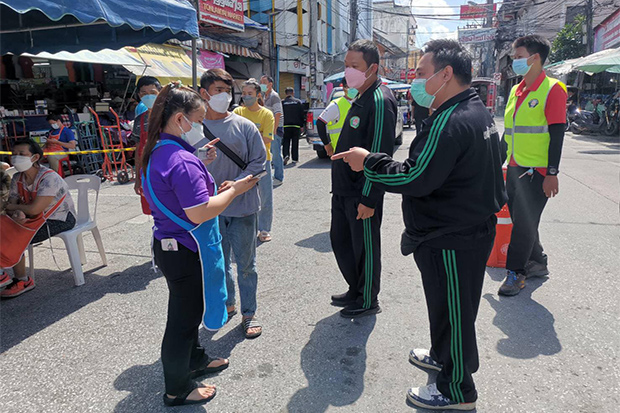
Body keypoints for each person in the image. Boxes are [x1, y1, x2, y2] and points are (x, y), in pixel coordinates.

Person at [333, 39, 506, 411]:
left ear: (446, 74)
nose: (416, 81)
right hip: (457, 230)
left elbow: (415, 177)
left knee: (456, 314)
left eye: (422, 74)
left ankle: (457, 390)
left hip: (452, 236)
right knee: (446, 308)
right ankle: (445, 357)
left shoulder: (451, 120)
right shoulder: (474, 109)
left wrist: (371, 164)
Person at [140, 82, 258, 406]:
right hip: (185, 250)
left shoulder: (161, 151)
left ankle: (196, 360)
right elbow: (200, 211)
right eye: (198, 120)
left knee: (189, 314)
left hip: (169, 246)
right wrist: (235, 190)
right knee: (182, 320)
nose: (200, 127)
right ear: (180, 120)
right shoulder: (180, 160)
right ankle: (177, 388)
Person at [329, 39, 396, 318]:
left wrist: (370, 198)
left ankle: (368, 298)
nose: (348, 71)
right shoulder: (360, 95)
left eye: (354, 66)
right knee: (342, 242)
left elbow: (380, 155)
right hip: (344, 188)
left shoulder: (380, 100)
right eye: (346, 65)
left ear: (372, 68)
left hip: (362, 192)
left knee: (365, 249)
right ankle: (355, 288)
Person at [198, 69, 267, 339]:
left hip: (244, 207)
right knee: (219, 264)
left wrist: (237, 184)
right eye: (218, 90)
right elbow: (184, 165)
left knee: (246, 264)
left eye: (228, 90)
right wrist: (201, 160)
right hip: (210, 210)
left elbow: (259, 163)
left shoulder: (245, 126)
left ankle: (249, 313)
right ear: (204, 93)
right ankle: (228, 305)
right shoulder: (194, 130)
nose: (224, 96)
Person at [498, 35, 567, 296]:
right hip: (515, 167)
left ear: (534, 58)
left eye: (518, 57)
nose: (514, 62)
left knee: (524, 225)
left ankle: (516, 273)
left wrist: (552, 173)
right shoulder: (517, 90)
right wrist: (498, 162)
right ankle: (537, 262)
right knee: (522, 220)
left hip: (536, 171)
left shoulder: (553, 89)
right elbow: (510, 132)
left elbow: (557, 134)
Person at [1, 138, 77, 298]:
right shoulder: (17, 178)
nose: (16, 158)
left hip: (60, 219)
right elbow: (11, 204)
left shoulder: (49, 178)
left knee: (15, 234)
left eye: (22, 154)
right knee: (5, 226)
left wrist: (16, 209)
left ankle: (22, 280)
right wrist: (17, 212)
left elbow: (34, 208)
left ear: (35, 157)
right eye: (14, 154)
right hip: (32, 218)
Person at [233, 79, 275, 243]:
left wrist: (246, 141)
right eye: (244, 94)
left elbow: (267, 138)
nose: (246, 97)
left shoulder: (266, 114)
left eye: (249, 94)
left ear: (258, 95)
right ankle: (243, 226)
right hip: (241, 161)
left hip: (262, 160)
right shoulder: (237, 112)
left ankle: (264, 229)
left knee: (265, 196)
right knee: (241, 193)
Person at [131, 76, 162, 215]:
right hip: (148, 174)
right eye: (144, 94)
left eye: (152, 93)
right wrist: (138, 178)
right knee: (154, 212)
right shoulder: (139, 120)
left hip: (169, 171)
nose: (148, 96)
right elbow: (139, 150)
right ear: (139, 95)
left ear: (160, 93)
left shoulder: (171, 115)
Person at [316, 78, 357, 157]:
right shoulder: (336, 105)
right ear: (344, 88)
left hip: (357, 152)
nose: (354, 89)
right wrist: (327, 145)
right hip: (341, 151)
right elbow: (320, 123)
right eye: (350, 87)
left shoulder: (360, 103)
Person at [260, 75, 284, 186]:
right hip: (267, 128)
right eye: (261, 82)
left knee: (275, 153)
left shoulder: (274, 96)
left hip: (275, 129)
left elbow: (278, 113)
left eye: (264, 82)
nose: (262, 84)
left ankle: (279, 177)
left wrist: (274, 130)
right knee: (269, 152)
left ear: (270, 84)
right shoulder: (265, 96)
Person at [281, 87, 305, 164]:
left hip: (285, 126)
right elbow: (302, 114)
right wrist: (302, 126)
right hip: (296, 126)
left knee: (285, 141)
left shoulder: (282, 102)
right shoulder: (298, 102)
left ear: (285, 93)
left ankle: (286, 155)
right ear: (293, 93)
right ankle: (295, 158)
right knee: (295, 142)